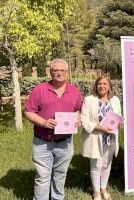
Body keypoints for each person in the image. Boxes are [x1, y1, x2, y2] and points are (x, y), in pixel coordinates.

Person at [24, 59, 82, 200]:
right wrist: (43, 122)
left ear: (67, 73)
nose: (59, 73)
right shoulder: (40, 89)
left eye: (62, 70)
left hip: (65, 142)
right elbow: (28, 112)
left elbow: (78, 110)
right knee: (42, 178)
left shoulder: (74, 91)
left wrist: (78, 119)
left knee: (60, 176)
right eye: (55, 70)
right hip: (42, 142)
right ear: (50, 72)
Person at [81, 74, 123, 200]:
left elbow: (118, 117)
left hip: (110, 138)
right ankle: (96, 191)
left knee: (106, 164)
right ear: (96, 86)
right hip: (95, 137)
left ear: (109, 86)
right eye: (99, 84)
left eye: (105, 84)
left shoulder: (114, 100)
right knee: (96, 165)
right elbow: (84, 120)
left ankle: (103, 188)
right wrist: (102, 128)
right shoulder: (89, 100)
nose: (102, 86)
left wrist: (120, 124)